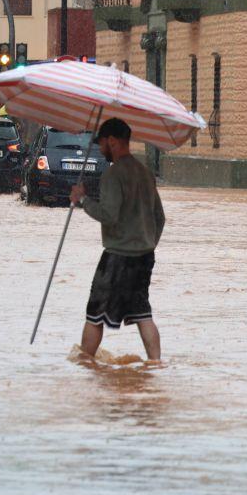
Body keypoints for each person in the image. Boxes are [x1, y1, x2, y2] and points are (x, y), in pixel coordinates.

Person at [69, 118, 166, 362]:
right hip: (144, 257)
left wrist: (82, 200)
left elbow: (109, 216)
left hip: (117, 258)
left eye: (101, 143)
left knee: (95, 314)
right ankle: (155, 363)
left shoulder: (113, 175)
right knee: (143, 313)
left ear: (112, 141)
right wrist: (147, 242)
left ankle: (85, 365)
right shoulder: (145, 173)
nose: (100, 148)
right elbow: (160, 217)